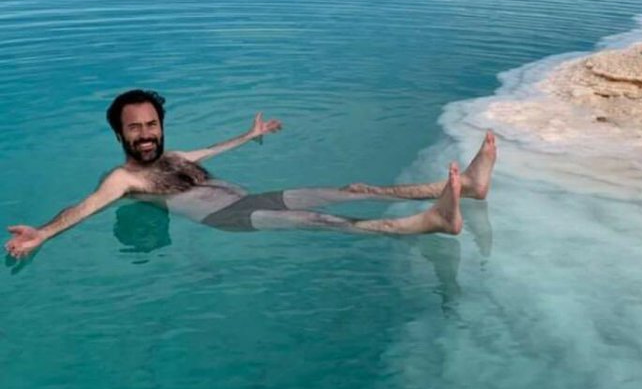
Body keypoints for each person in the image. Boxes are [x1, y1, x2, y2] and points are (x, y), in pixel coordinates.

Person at [5, 90, 498, 259]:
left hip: (252, 197)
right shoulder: (124, 179)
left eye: (151, 125)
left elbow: (213, 147)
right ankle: (432, 221)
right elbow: (87, 207)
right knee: (328, 222)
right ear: (121, 136)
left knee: (353, 190)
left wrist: (250, 134)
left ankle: (466, 188)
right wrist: (43, 234)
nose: (146, 134)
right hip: (230, 218)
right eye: (135, 129)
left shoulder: (174, 157)